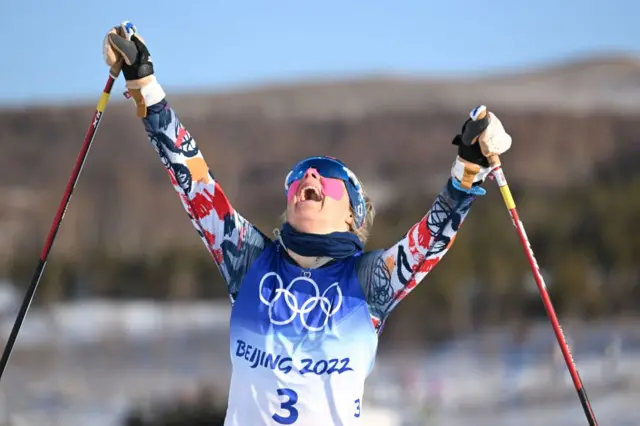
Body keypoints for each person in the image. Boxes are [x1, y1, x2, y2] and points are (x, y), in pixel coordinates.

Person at [103, 21, 513, 426]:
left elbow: (428, 242)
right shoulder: (249, 261)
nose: (310, 178)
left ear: (352, 215)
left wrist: (468, 168)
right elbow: (196, 186)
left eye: (326, 174)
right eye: (299, 175)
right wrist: (145, 85)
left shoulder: (367, 283)